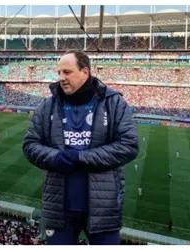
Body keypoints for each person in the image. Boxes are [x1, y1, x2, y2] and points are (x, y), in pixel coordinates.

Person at [23, 50, 139, 245]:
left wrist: (81, 157)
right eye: (59, 72)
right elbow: (30, 144)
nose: (61, 78)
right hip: (59, 210)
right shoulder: (48, 105)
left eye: (67, 72)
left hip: (103, 210)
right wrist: (55, 157)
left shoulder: (113, 103)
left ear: (85, 72)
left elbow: (129, 145)